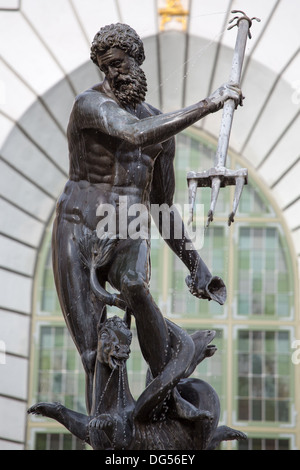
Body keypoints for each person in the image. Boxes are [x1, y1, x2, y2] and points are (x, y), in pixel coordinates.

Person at [52, 23, 242, 413]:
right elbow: (135, 133)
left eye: (118, 64)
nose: (112, 74)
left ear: (137, 59)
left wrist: (197, 266)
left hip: (128, 228)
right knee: (93, 354)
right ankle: (109, 427)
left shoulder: (162, 130)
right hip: (79, 228)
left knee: (136, 284)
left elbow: (161, 206)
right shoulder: (90, 105)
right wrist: (208, 104)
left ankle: (165, 390)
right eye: (105, 68)